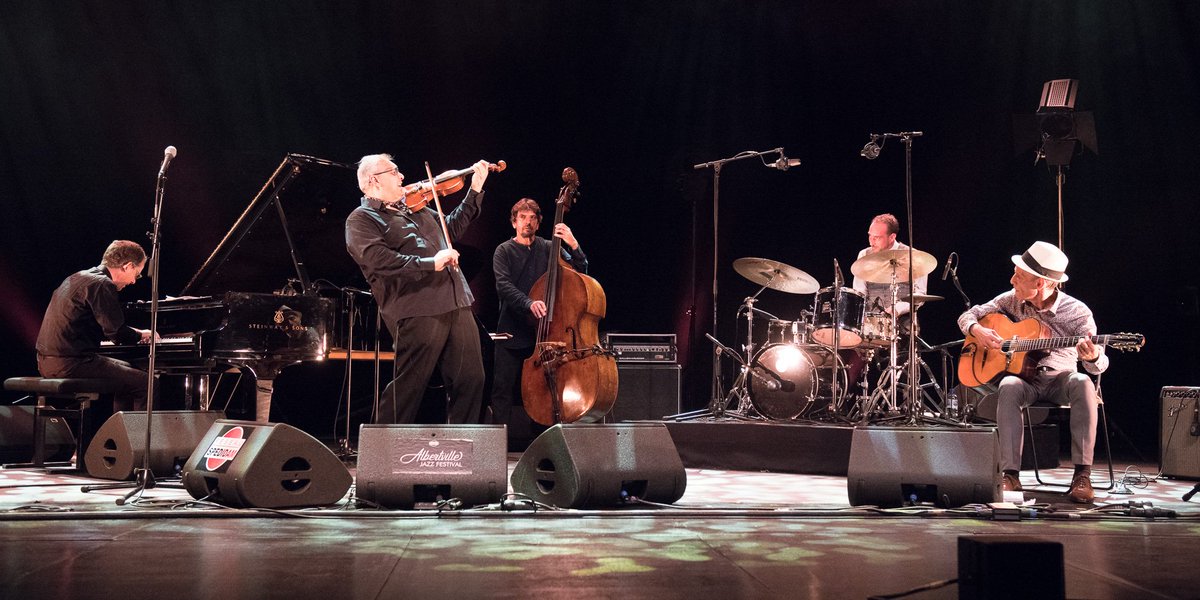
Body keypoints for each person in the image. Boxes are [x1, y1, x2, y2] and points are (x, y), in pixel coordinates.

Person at [345, 155, 490, 424]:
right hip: (417, 307)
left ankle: (460, 449)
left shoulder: (417, 207)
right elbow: (378, 260)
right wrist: (429, 263)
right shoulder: (362, 219)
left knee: (471, 379)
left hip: (455, 299)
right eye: (394, 172)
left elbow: (452, 228)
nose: (402, 177)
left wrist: (475, 190)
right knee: (410, 385)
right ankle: (382, 449)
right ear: (374, 180)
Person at [957, 241, 1106, 503]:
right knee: (1009, 386)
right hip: (1027, 381)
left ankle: (1082, 474)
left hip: (1061, 380)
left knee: (1083, 382)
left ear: (1041, 284)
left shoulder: (1077, 312)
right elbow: (969, 315)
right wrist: (977, 331)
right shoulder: (1010, 301)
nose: (1012, 279)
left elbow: (1099, 365)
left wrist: (1092, 356)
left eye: (1020, 275)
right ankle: (1010, 474)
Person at [490, 198, 588, 429]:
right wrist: (528, 303)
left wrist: (574, 244)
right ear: (514, 222)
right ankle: (497, 447)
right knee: (502, 390)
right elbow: (503, 286)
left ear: (539, 222)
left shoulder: (548, 247)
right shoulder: (503, 251)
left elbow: (580, 272)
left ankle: (542, 445)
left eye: (533, 218)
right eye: (522, 217)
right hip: (512, 331)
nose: (528, 222)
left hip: (544, 333)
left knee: (545, 390)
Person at [35, 240, 154, 412]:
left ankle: (123, 435)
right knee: (148, 383)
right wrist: (141, 335)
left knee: (130, 372)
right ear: (127, 266)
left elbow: (105, 325)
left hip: (47, 362)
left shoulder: (78, 278)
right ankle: (139, 439)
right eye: (137, 274)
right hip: (71, 363)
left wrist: (139, 332)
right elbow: (117, 333)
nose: (134, 282)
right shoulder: (103, 284)